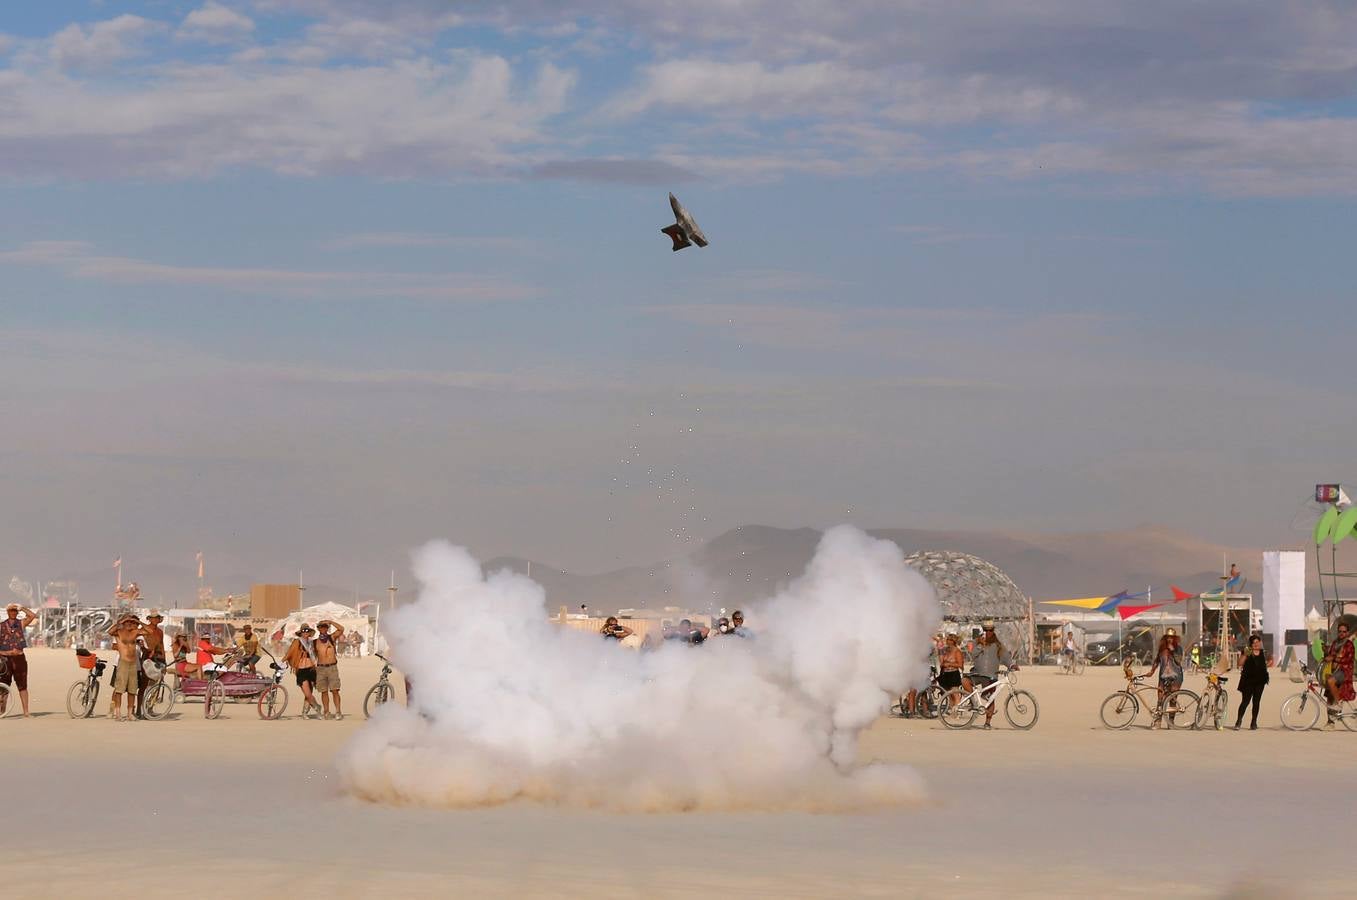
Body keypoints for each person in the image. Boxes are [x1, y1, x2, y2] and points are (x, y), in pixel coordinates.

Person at [964, 620, 1012, 729]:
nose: (988, 632)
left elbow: (1005, 657)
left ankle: (987, 722)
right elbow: (973, 655)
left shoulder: (998, 644)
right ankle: (974, 703)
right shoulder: (977, 642)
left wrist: (1012, 665)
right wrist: (981, 645)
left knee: (990, 698)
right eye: (986, 630)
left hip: (991, 675)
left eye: (990, 630)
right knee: (964, 681)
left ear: (993, 631)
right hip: (977, 673)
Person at [1143, 628, 1185, 728]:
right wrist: (1152, 671)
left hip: (1176, 676)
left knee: (1172, 699)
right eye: (1168, 637)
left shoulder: (1178, 648)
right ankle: (1158, 722)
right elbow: (1157, 660)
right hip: (1163, 676)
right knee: (1160, 699)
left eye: (1171, 637)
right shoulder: (1162, 648)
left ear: (1174, 638)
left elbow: (1179, 661)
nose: (1169, 639)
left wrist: (1173, 651)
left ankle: (1171, 722)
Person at [0, 603, 36, 717]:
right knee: (4, 687)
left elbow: (32, 616)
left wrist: (22, 608)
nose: (13, 612)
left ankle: (26, 712)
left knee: (22, 685)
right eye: (11, 610)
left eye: (15, 611)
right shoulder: (1, 626)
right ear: (7, 612)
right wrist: (3, 653)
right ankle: (2, 711)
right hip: (5, 659)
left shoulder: (20, 623)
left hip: (19, 659)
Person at [107, 614, 143, 722]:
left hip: (134, 664)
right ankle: (116, 712)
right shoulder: (119, 633)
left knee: (132, 690)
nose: (130, 624)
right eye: (128, 622)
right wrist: (122, 621)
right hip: (122, 662)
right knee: (119, 689)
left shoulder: (135, 633)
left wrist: (139, 623)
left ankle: (129, 713)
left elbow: (149, 631)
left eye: (132, 622)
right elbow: (110, 632)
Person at [284, 624, 321, 717]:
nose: (305, 633)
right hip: (301, 669)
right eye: (304, 631)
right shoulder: (297, 642)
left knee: (310, 691)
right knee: (307, 693)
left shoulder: (311, 642)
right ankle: (317, 707)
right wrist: (281, 662)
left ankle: (304, 712)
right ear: (301, 632)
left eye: (307, 631)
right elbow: (289, 653)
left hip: (311, 668)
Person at [1323, 621, 1354, 726]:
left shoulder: (1349, 645)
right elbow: (1330, 655)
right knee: (1329, 696)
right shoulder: (1335, 643)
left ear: (1347, 632)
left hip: (1344, 671)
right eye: (1340, 631)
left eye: (1344, 631)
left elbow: (1348, 660)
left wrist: (1334, 658)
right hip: (1334, 670)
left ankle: (1339, 702)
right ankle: (1330, 722)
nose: (1342, 633)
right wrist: (1326, 653)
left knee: (1330, 681)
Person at [1235, 634, 1269, 731]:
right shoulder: (1247, 651)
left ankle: (1253, 722)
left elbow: (1266, 663)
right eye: (1254, 643)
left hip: (1260, 681)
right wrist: (1245, 654)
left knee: (1256, 702)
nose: (1256, 644)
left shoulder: (1263, 652)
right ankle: (1238, 721)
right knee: (1245, 702)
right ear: (1250, 644)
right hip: (1248, 681)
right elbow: (1239, 664)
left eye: (1258, 642)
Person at [314, 620, 345, 719]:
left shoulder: (331, 638)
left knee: (335, 690)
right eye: (321, 627)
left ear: (327, 628)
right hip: (320, 669)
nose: (323, 629)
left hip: (332, 667)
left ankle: (338, 711)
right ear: (318, 629)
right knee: (324, 691)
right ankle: (326, 711)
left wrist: (330, 622)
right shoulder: (315, 642)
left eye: (325, 627)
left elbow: (341, 629)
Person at [938, 633, 966, 707]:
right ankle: (951, 709)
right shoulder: (946, 650)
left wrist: (950, 664)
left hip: (953, 673)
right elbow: (942, 662)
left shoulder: (957, 651)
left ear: (954, 641)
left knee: (955, 694)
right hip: (945, 673)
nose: (948, 641)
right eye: (947, 639)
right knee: (948, 694)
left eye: (950, 640)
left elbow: (960, 665)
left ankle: (956, 710)